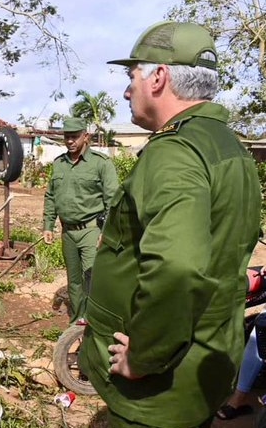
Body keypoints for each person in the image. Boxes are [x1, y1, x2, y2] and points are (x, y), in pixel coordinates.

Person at [78, 21, 262, 428]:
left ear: (158, 77)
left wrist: (143, 357)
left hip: (156, 391)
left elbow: (176, 267)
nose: (128, 90)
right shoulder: (229, 148)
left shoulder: (175, 152)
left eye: (132, 76)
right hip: (203, 365)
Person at [42, 117, 118, 324]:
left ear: (86, 137)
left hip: (91, 231)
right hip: (68, 232)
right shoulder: (59, 164)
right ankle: (77, 322)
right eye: (67, 137)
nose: (70, 141)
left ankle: (95, 323)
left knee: (92, 277)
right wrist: (48, 225)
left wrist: (107, 232)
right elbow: (50, 196)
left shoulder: (100, 164)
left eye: (75, 136)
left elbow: (113, 200)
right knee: (74, 282)